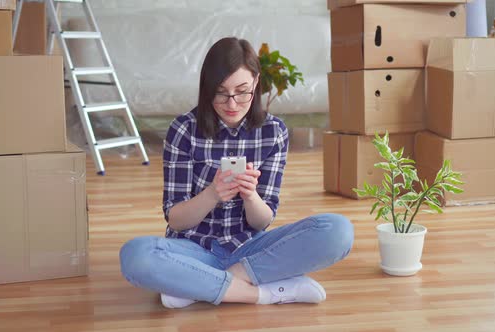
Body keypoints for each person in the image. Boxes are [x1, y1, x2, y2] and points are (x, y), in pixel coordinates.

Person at [119, 37, 354, 309]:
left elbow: (262, 222)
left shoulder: (273, 132)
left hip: (250, 252)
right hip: (193, 250)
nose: (232, 103)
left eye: (242, 91)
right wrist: (212, 194)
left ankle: (199, 286)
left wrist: (251, 196)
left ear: (255, 82)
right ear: (207, 89)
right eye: (221, 92)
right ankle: (266, 293)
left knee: (337, 231)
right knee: (136, 255)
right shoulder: (184, 130)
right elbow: (177, 220)